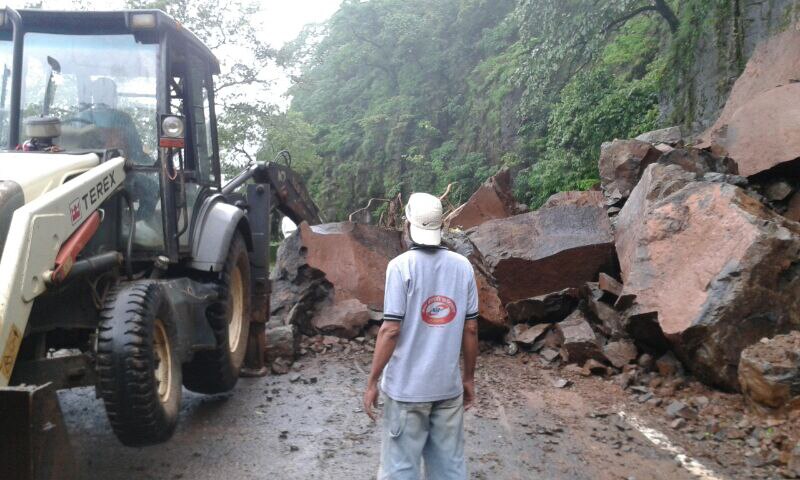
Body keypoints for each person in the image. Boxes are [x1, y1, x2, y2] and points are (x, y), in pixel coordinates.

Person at [363, 192, 479, 479]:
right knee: (449, 469)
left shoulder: (401, 267)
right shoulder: (463, 267)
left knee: (400, 468)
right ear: (441, 227)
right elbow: (471, 328)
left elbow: (390, 330)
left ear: (408, 226)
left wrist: (372, 380)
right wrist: (468, 377)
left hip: (406, 391)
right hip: (447, 388)